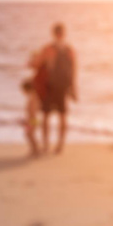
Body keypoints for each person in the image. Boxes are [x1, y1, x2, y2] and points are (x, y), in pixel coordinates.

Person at [37, 23, 76, 154]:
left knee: (48, 116)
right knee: (60, 116)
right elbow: (73, 71)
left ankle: (48, 145)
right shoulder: (69, 50)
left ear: (54, 34)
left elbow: (37, 64)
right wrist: (74, 88)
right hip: (60, 87)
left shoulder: (49, 49)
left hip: (52, 87)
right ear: (63, 34)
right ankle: (58, 145)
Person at [20, 78, 40, 156]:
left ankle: (36, 150)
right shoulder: (32, 97)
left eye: (23, 90)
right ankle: (34, 149)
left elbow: (33, 111)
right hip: (32, 120)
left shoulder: (33, 98)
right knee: (29, 134)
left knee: (29, 134)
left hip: (33, 120)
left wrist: (29, 122)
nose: (23, 92)